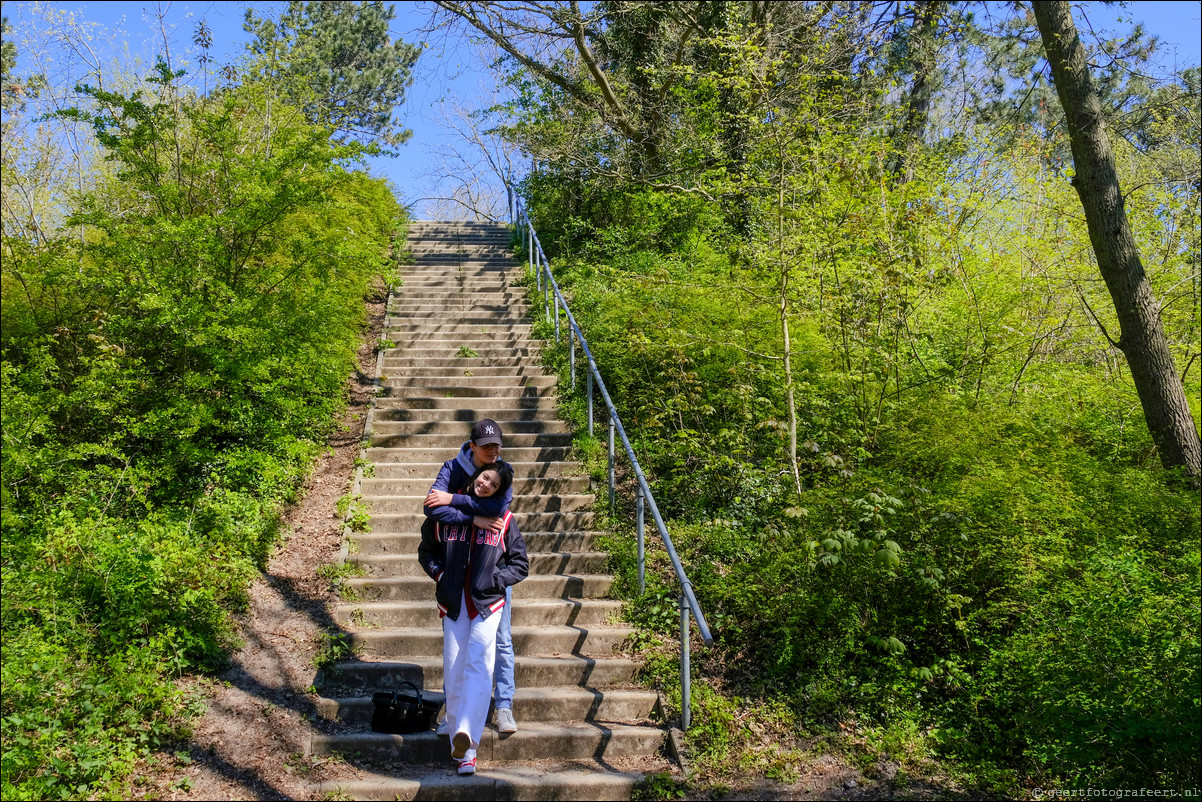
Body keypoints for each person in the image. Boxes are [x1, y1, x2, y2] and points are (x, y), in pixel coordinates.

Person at [418, 462, 528, 775]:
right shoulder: (445, 518)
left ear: (498, 492)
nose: (485, 484)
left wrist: (495, 580)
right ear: (474, 477)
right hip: (453, 602)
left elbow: (520, 565)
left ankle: (470, 746)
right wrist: (439, 575)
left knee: (480, 662)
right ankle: (458, 742)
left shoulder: (503, 521)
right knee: (454, 671)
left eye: (493, 484)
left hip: (487, 604)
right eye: (484, 477)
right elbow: (426, 551)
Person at [423, 419, 520, 734]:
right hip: (456, 569)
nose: (494, 452)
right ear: (473, 446)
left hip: (488, 570)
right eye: (487, 446)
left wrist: (454, 500)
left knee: (501, 640)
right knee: (456, 651)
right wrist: (472, 518)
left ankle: (503, 705)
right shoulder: (452, 468)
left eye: (497, 446)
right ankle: (455, 715)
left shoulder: (502, 471)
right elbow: (431, 510)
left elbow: (498, 508)